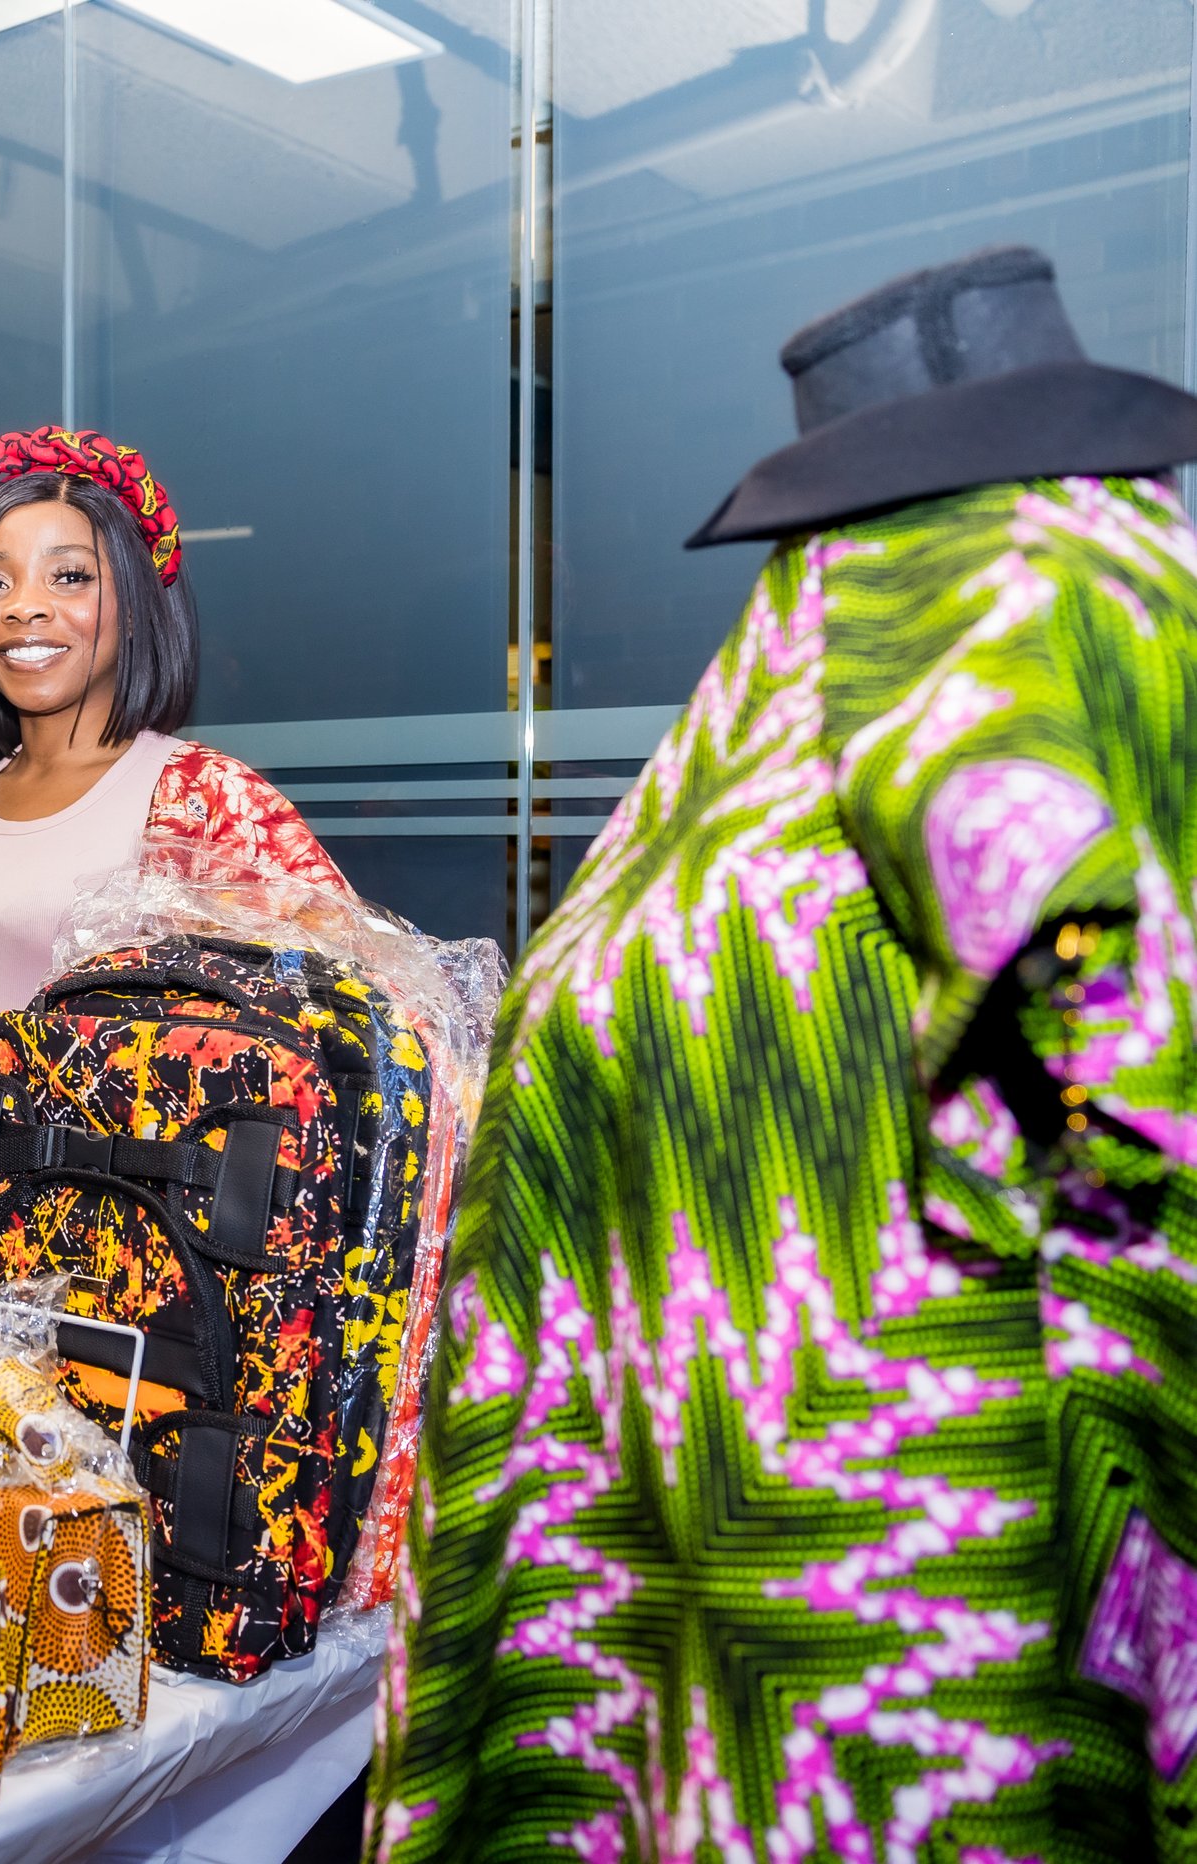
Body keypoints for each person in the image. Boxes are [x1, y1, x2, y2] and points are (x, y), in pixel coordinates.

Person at [372, 247, 1197, 1859]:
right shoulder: (801, 647)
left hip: (939, 1625)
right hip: (691, 1595)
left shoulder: (1042, 601)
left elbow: (1124, 1087)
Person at [0, 426, 356, 1314]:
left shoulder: (204, 803)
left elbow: (333, 1031)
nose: (26, 607)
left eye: (69, 576)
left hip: (108, 1288)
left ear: (139, 605)